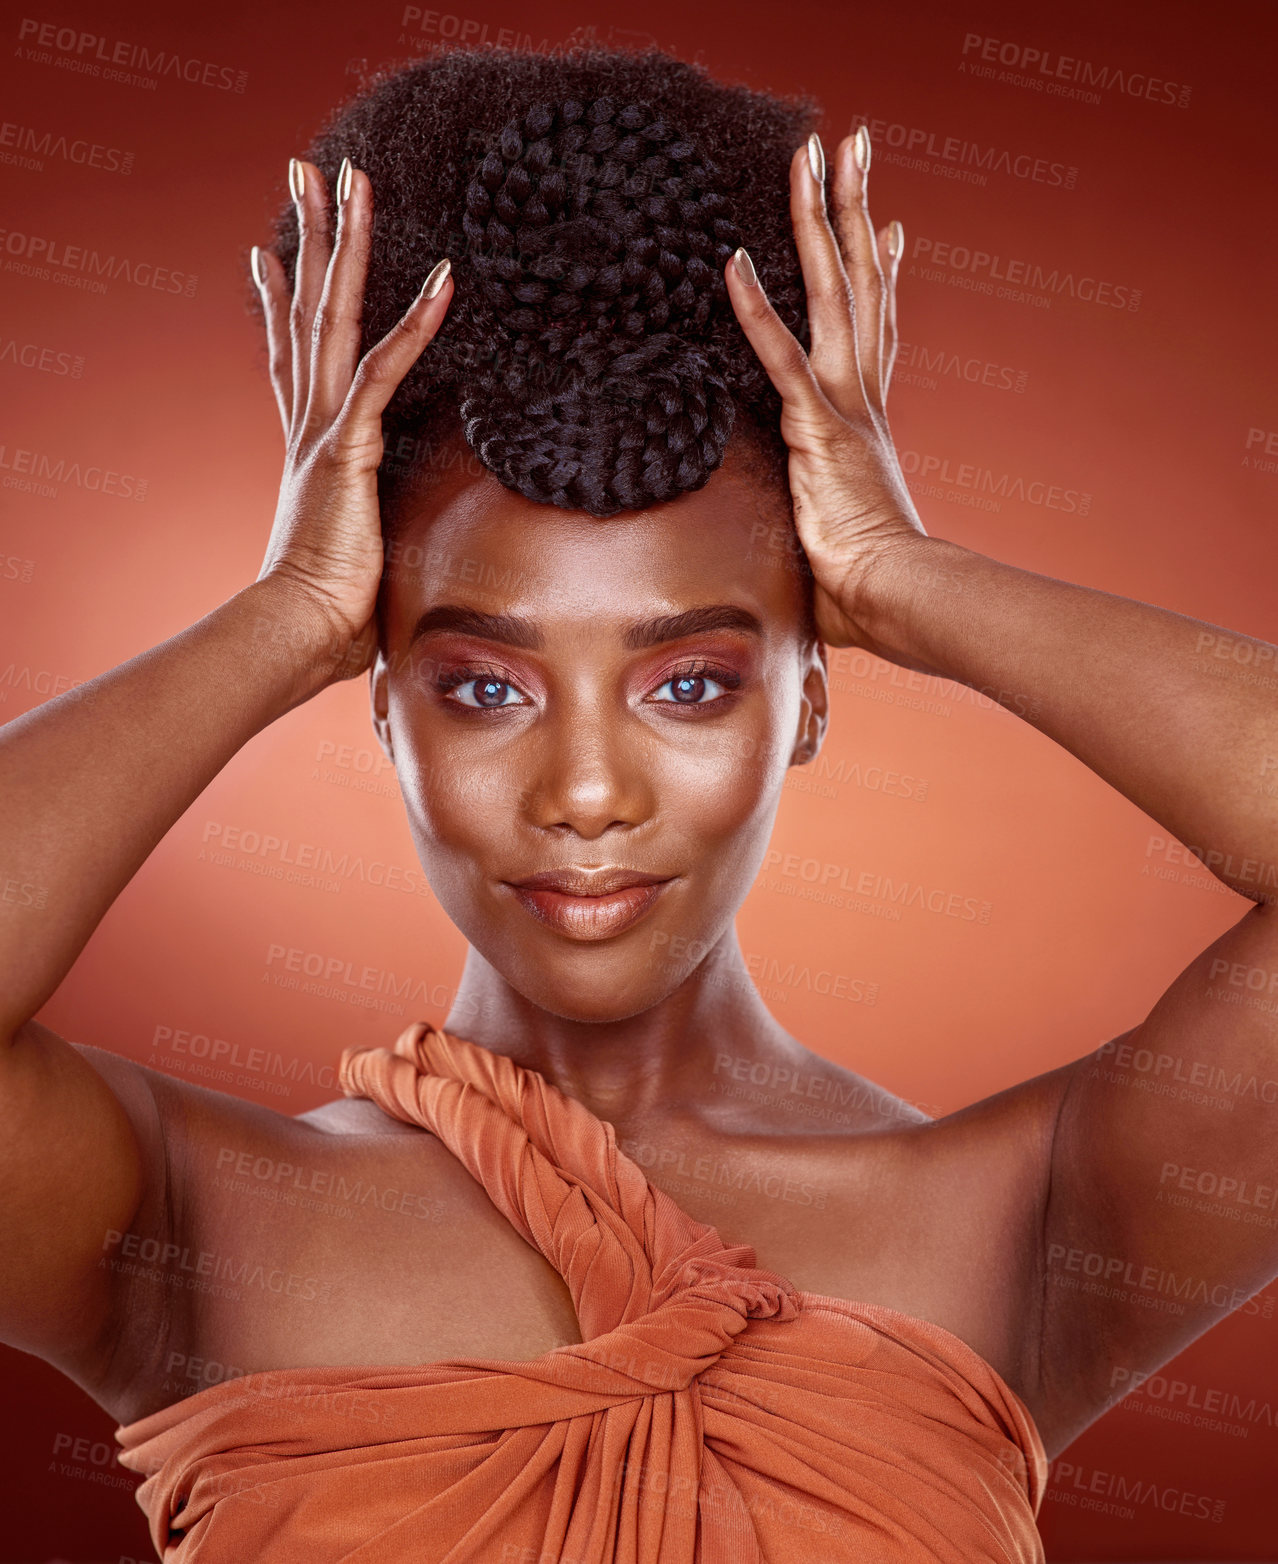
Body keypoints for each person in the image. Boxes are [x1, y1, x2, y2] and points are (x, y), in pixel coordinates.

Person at [1, 40, 1275, 1564]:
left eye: (690, 682)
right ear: (375, 697)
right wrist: (284, 610)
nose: (587, 793)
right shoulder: (188, 1224)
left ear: (808, 693)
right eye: (480, 685)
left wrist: (901, 578)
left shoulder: (1030, 1220)